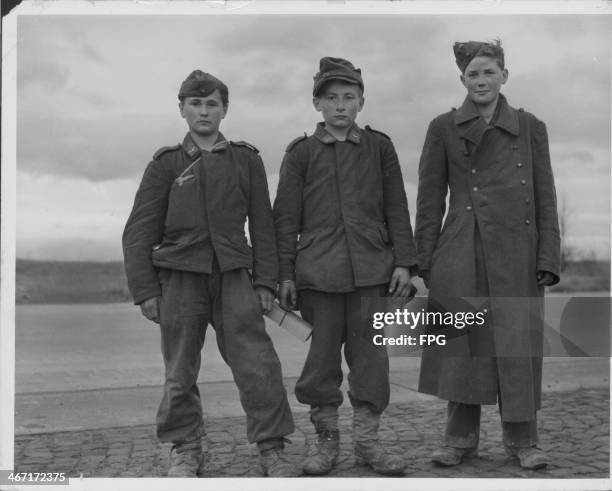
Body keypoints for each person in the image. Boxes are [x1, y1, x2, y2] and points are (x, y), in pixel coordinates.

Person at [122, 70, 296, 478]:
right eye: (196, 104)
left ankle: (272, 448)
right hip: (179, 279)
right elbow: (138, 232)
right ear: (181, 109)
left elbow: (263, 226)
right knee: (180, 370)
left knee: (258, 365)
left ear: (225, 110)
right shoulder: (164, 165)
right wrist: (146, 291)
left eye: (212, 104)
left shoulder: (246, 160)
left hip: (235, 276)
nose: (204, 111)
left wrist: (265, 282)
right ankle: (185, 449)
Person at [415, 40, 560, 470]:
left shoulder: (531, 127)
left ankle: (523, 441)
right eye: (473, 74)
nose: (481, 81)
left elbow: (545, 196)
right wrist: (427, 258)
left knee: (517, 346)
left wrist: (548, 256)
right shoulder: (443, 127)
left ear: (504, 76)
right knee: (463, 347)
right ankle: (458, 440)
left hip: (519, 249)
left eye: (489, 72)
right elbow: (428, 199)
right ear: (462, 80)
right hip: (461, 246)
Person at [273, 57, 418, 476]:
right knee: (320, 362)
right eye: (331, 98)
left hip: (373, 274)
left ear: (361, 101)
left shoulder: (380, 148)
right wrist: (284, 274)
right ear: (317, 103)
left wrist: (405, 264)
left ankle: (368, 442)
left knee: (371, 360)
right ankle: (326, 442)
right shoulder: (300, 154)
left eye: (349, 97)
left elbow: (397, 208)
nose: (340, 106)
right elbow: (285, 218)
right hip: (318, 275)